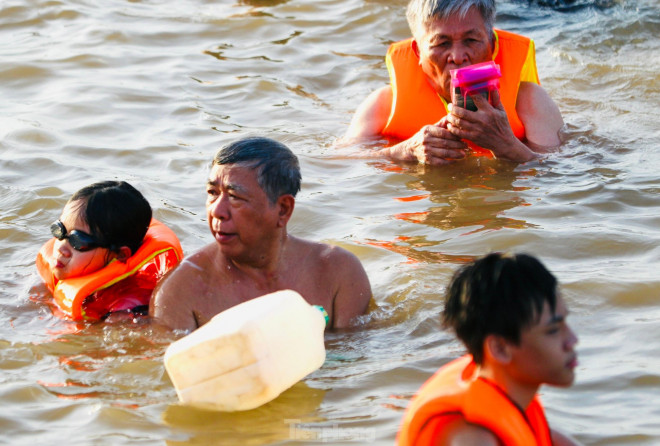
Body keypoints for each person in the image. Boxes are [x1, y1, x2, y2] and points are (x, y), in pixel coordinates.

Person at [150, 136, 372, 331]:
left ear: (283, 209)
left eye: (235, 197)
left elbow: (355, 364)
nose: (217, 211)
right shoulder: (179, 292)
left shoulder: (339, 274)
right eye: (212, 193)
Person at [343, 0, 564, 165]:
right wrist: (404, 151)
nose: (458, 56)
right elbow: (338, 162)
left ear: (491, 45)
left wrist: (506, 144)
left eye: (471, 40)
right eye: (442, 43)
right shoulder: (384, 103)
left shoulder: (528, 99)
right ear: (418, 51)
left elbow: (562, 174)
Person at [397, 253, 581, 445]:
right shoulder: (472, 437)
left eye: (565, 322)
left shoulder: (512, 397)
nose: (572, 340)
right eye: (553, 330)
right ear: (500, 349)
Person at [36, 181, 183, 321]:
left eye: (78, 241)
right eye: (60, 231)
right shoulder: (54, 274)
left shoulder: (127, 309)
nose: (61, 248)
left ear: (120, 254)